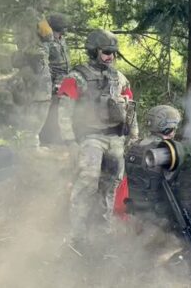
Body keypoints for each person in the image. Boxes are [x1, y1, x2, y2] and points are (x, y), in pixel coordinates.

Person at [57, 29, 138, 247]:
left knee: (110, 186)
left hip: (115, 139)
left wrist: (133, 135)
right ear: (94, 51)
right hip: (90, 137)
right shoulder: (77, 77)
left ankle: (103, 231)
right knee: (87, 183)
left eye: (113, 52)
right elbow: (64, 112)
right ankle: (77, 236)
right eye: (106, 51)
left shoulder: (119, 78)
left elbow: (130, 107)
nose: (111, 56)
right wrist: (70, 142)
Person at [124, 104, 182, 228]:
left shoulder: (135, 145)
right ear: (168, 128)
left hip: (133, 208)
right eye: (174, 126)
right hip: (155, 215)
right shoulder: (166, 151)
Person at [2, 12, 54, 149]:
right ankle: (31, 145)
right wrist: (40, 17)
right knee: (40, 105)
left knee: (25, 103)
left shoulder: (17, 18)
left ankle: (21, 142)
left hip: (25, 66)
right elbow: (49, 36)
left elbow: (19, 41)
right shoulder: (36, 18)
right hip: (37, 67)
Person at [39, 13, 71, 146]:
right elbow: (44, 63)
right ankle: (47, 139)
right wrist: (51, 83)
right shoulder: (48, 42)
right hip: (54, 81)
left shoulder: (62, 40)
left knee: (66, 109)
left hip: (66, 79)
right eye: (62, 27)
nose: (64, 30)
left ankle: (62, 137)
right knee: (52, 110)